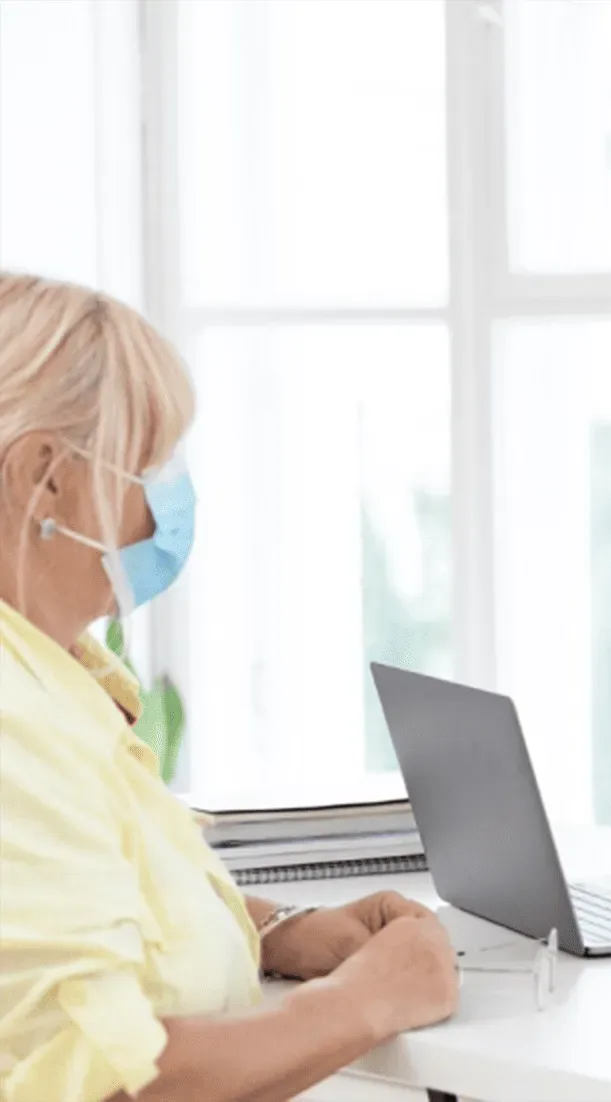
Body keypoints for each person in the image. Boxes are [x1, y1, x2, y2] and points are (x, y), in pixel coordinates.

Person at [0, 273, 459, 1102]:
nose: (164, 506)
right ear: (46, 478)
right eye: (147, 467)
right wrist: (369, 998)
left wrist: (275, 932)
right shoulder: (11, 714)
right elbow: (109, 1082)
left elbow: (58, 917)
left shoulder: (51, 667)